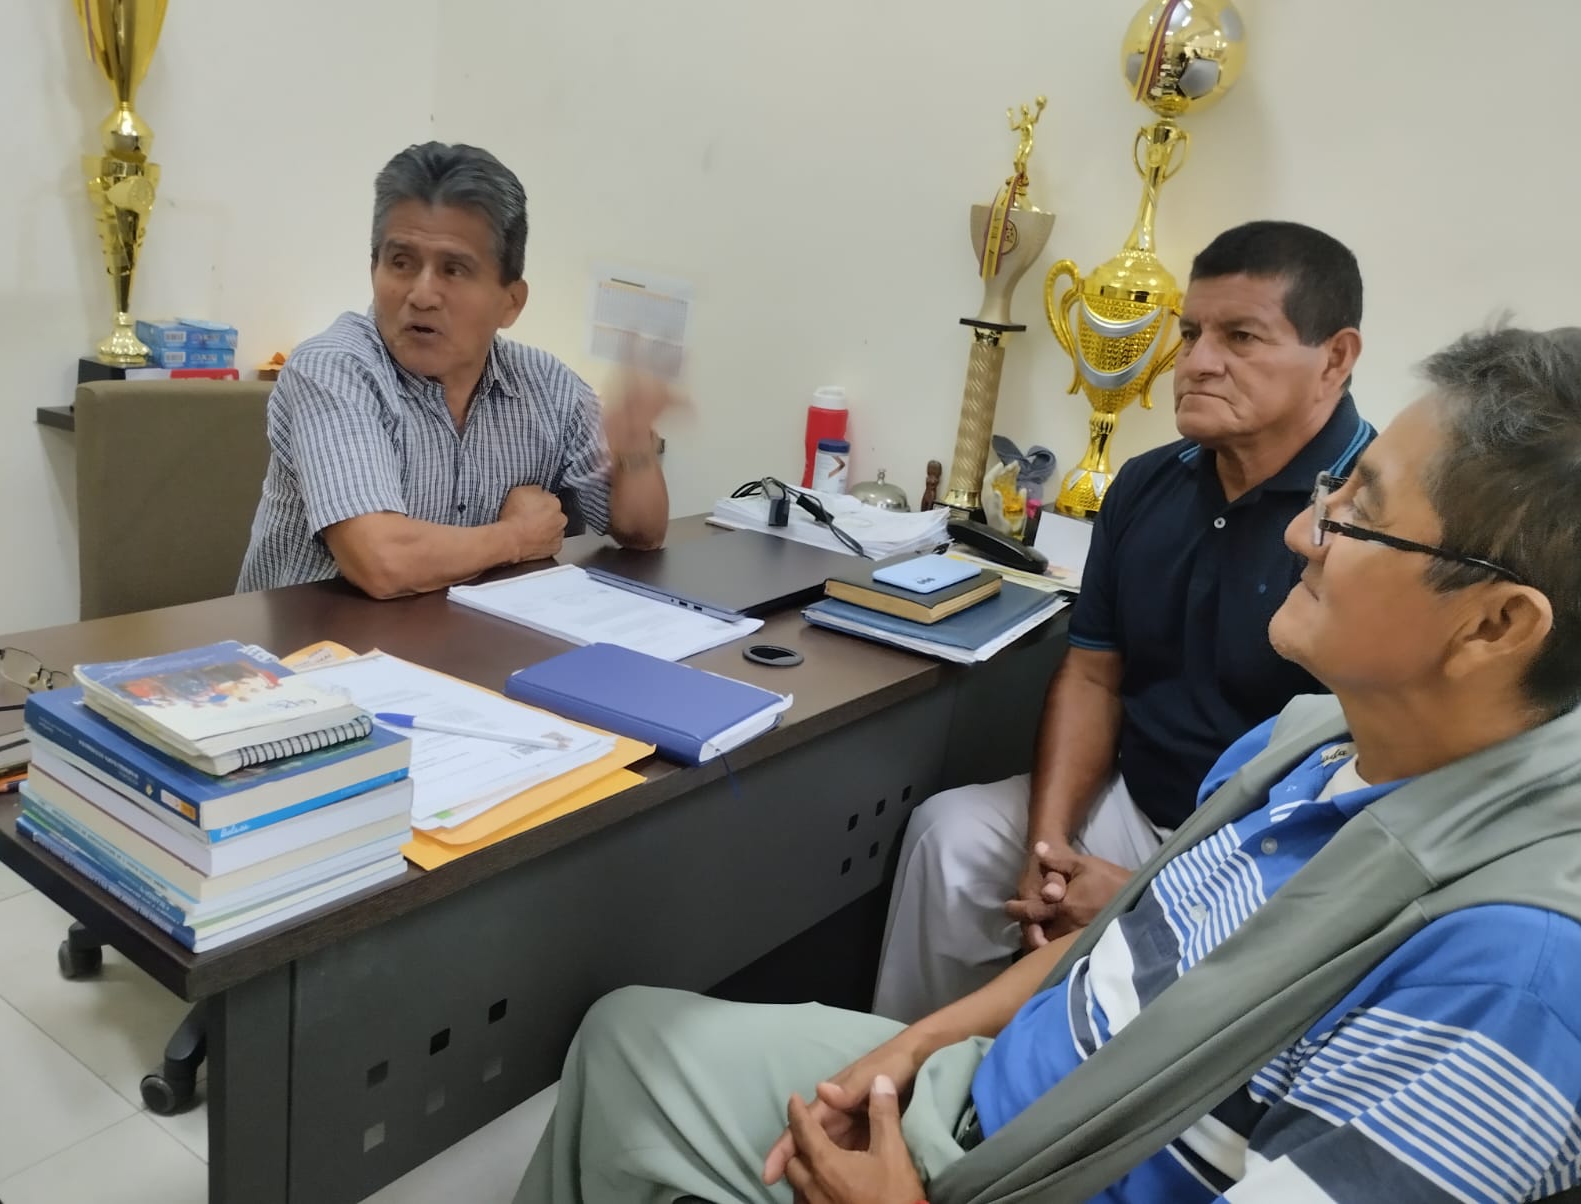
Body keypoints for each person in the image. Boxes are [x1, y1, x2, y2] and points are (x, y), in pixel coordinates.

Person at [515, 323, 1581, 1204]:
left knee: (639, 1067)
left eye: (1362, 519)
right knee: (627, 1035)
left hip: (1010, 1167)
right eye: (1333, 494)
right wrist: (914, 1046)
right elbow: (1110, 949)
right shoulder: (1307, 747)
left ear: (1495, 625)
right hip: (991, 1093)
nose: (1307, 533)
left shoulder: (1512, 982)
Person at [874, 221, 1374, 1021]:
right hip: (1135, 804)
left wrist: (1157, 889)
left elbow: (1361, 777)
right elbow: (1093, 676)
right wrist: (1048, 851)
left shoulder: (1371, 520)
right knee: (952, 837)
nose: (1197, 362)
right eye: (1192, 333)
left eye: (1242, 337)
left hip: (1269, 859)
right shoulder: (1146, 484)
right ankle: (895, 1072)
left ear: (1335, 358)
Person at [236, 142, 671, 598]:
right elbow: (382, 561)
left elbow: (644, 534)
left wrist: (634, 447)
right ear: (373, 269)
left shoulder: (548, 386)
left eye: (454, 270)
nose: (422, 295)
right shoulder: (332, 369)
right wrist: (516, 538)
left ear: (511, 302)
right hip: (306, 640)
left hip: (453, 635)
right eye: (401, 263)